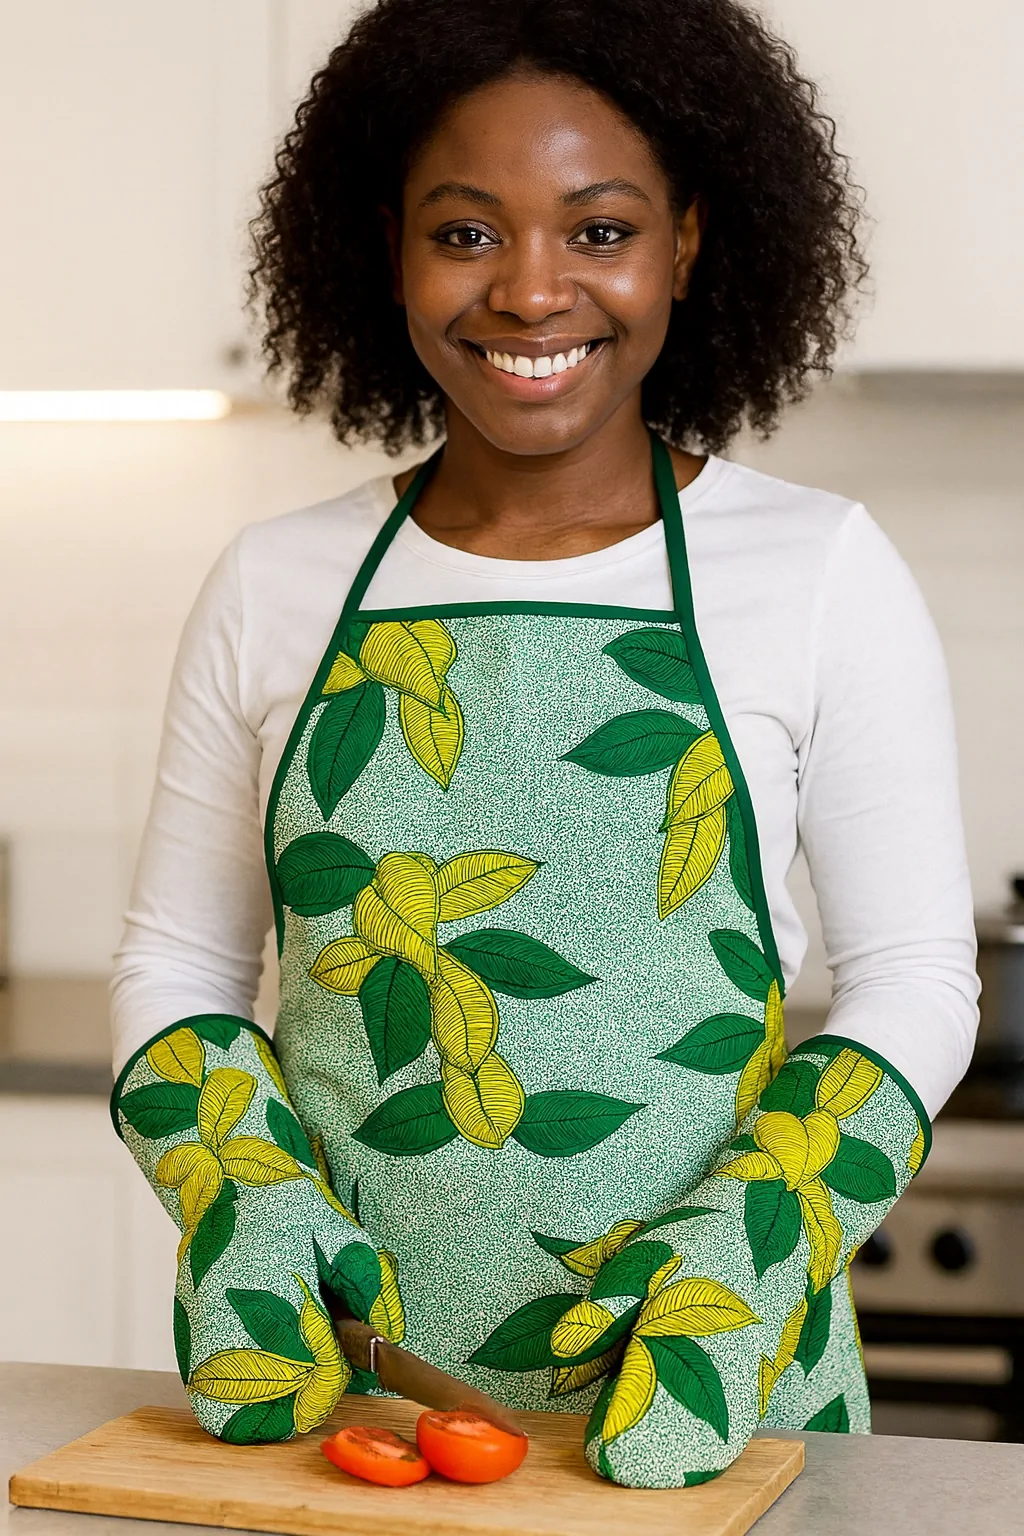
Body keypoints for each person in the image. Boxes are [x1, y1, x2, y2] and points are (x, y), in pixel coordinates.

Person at [110, 0, 979, 1488]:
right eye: (466, 234)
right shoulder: (278, 582)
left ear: (689, 244)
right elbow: (179, 969)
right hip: (361, 1420)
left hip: (730, 1407)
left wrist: (748, 1252)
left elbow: (914, 982)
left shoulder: (820, 567)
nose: (530, 291)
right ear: (386, 245)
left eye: (598, 230)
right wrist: (236, 1186)